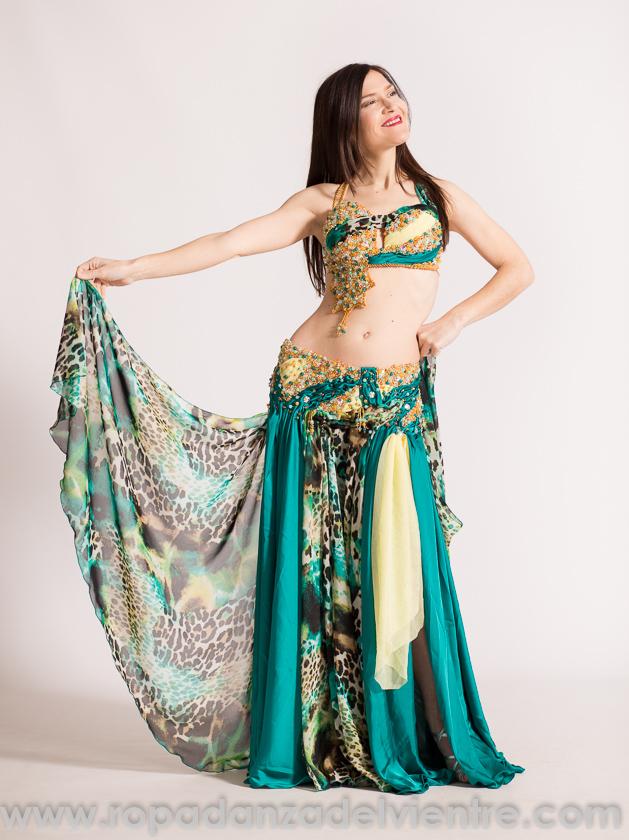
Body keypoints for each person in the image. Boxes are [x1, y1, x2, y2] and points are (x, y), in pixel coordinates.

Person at [54, 63, 532, 794]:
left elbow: (515, 267)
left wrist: (453, 322)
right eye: (370, 101)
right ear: (344, 121)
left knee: (396, 562)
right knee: (307, 567)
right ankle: (308, 737)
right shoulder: (322, 202)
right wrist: (135, 269)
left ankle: (401, 735)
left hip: (392, 401)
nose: (390, 106)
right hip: (309, 392)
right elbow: (230, 241)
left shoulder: (438, 197)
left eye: (393, 93)